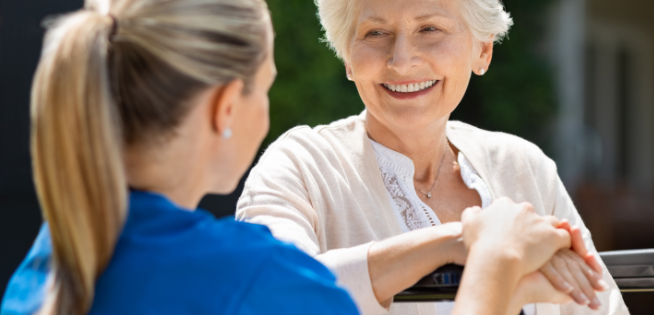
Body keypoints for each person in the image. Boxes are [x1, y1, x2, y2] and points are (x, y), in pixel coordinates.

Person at [0, 0, 579, 314]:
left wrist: (455, 242)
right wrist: (494, 266)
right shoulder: (254, 276)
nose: (402, 59)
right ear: (229, 106)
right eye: (268, 85)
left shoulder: (56, 254)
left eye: (429, 28)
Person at [235, 0, 630, 314]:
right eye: (376, 32)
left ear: (483, 49)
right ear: (348, 59)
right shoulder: (299, 166)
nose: (402, 59)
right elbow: (270, 294)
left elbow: (601, 306)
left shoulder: (524, 166)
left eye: (429, 29)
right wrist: (463, 241)